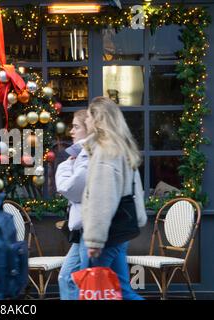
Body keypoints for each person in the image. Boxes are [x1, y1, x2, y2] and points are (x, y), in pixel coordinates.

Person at [80, 96, 147, 300]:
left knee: (91, 290)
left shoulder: (105, 151)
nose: (86, 121)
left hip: (106, 235)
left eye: (89, 117)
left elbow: (102, 199)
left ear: (99, 119)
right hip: (119, 231)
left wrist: (95, 241)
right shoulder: (120, 147)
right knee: (123, 291)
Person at [55, 109, 89, 300]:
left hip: (89, 228)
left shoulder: (86, 154)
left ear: (88, 129)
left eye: (76, 127)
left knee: (86, 283)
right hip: (82, 229)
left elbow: (71, 190)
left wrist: (65, 166)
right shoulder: (81, 154)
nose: (71, 132)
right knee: (67, 277)